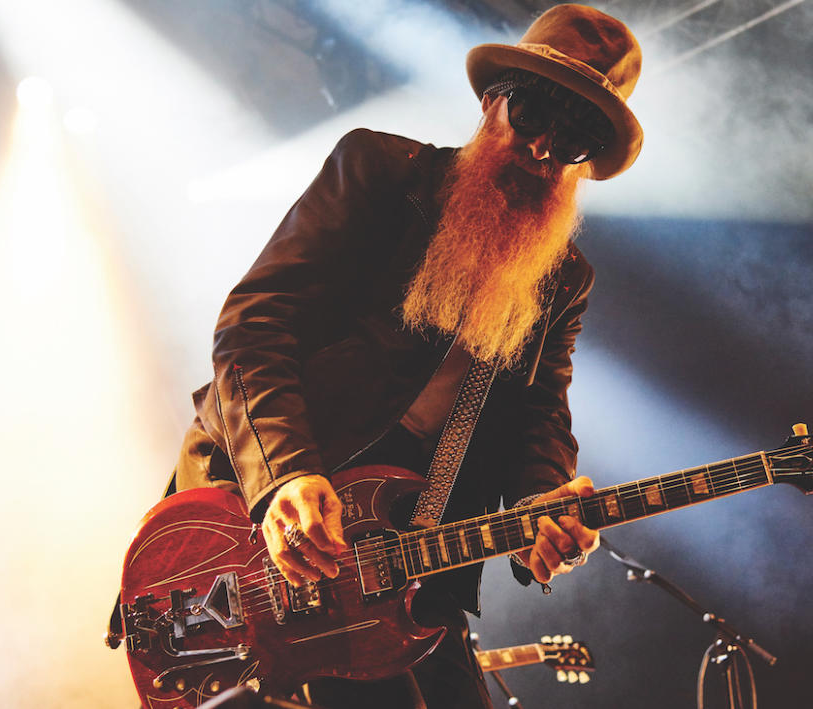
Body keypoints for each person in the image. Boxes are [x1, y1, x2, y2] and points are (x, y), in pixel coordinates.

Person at [172, 4, 643, 707]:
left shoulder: (563, 278)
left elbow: (539, 411)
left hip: (404, 561)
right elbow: (252, 328)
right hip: (262, 519)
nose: (543, 149)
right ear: (491, 102)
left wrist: (545, 497)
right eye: (533, 113)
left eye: (572, 140)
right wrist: (285, 475)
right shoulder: (378, 171)